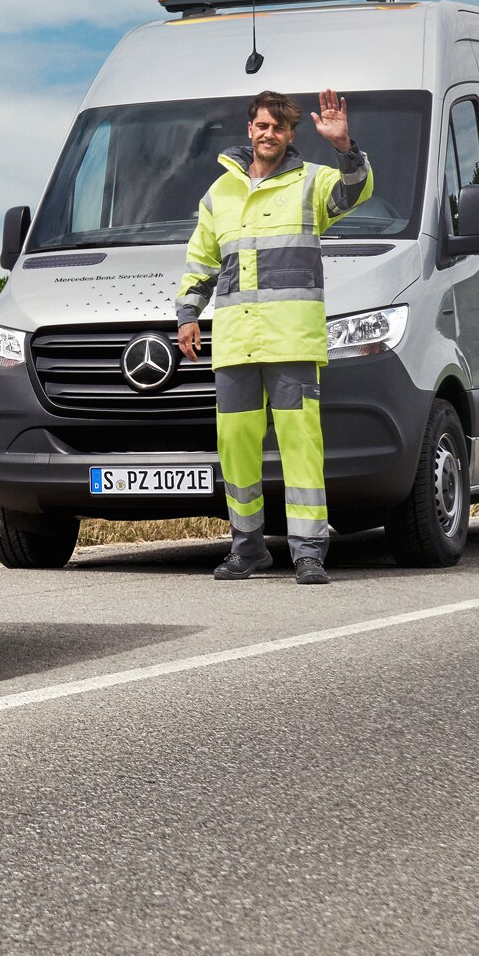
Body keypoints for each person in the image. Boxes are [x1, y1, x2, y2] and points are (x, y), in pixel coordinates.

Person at [176, 88, 373, 586]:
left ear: (291, 134)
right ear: (250, 129)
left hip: (292, 340)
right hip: (237, 342)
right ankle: (247, 548)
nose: (269, 134)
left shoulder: (312, 183)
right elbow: (201, 260)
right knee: (235, 445)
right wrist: (187, 315)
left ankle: (308, 551)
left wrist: (345, 146)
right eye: (262, 126)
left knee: (300, 445)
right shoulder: (220, 193)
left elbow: (356, 190)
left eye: (279, 128)